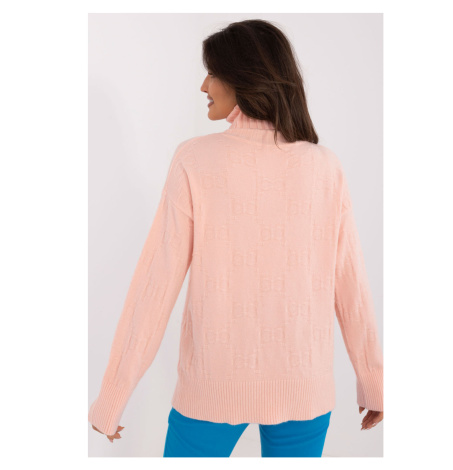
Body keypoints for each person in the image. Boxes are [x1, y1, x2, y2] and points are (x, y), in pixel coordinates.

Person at [88, 19, 384, 457]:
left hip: (211, 388)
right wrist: (374, 382)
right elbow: (352, 287)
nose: (203, 85)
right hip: (304, 388)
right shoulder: (324, 166)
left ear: (244, 77)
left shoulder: (195, 159)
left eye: (212, 72)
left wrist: (112, 396)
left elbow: (155, 285)